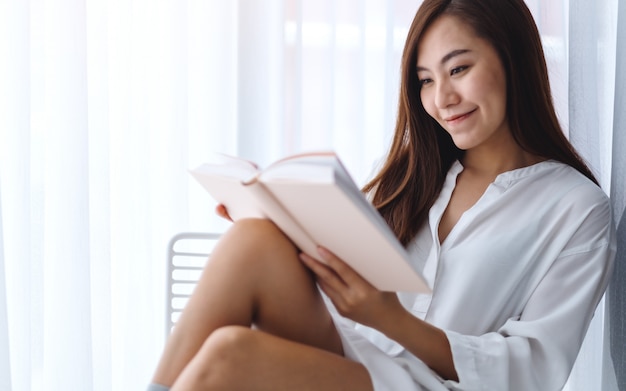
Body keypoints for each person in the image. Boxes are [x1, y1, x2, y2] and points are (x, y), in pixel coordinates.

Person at [148, 0, 616, 389]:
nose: (442, 98)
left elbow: (534, 369)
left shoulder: (575, 208)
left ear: (512, 60)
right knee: (254, 239)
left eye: (459, 68)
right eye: (426, 79)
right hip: (356, 356)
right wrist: (284, 231)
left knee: (231, 353)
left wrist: (390, 319)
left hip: (429, 385)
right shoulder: (405, 174)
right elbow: (344, 285)